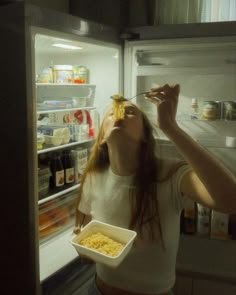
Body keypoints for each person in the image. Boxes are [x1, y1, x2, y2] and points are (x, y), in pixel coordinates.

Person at [74, 84, 236, 295]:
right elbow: (86, 252)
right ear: (102, 137)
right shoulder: (93, 178)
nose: (119, 114)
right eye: (111, 113)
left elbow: (231, 201)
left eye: (130, 112)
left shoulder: (171, 174)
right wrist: (82, 243)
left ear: (144, 135)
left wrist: (170, 127)